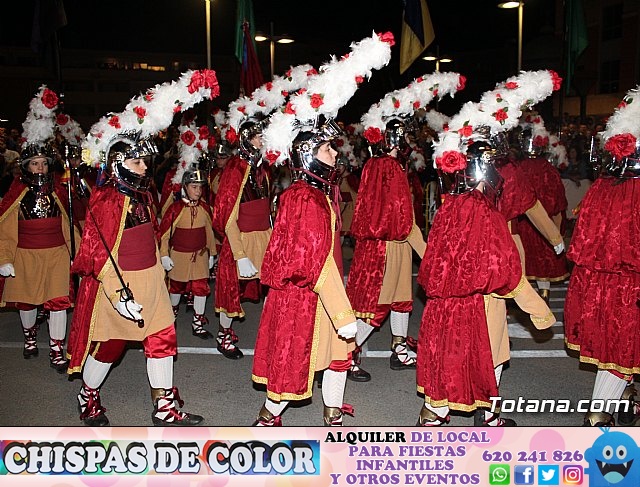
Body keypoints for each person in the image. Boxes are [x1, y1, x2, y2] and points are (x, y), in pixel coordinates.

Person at [252, 30, 394, 426]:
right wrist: (342, 307)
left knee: (337, 349)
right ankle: (269, 416)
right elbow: (312, 264)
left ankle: (332, 409)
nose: (336, 154)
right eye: (328, 148)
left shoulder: (318, 192)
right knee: (294, 359)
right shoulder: (304, 197)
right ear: (306, 154)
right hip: (304, 293)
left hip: (324, 290)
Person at [66, 69, 218, 426]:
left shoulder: (143, 195)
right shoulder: (106, 199)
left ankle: (164, 407)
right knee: (111, 348)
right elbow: (98, 256)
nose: (144, 167)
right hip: (118, 284)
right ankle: (87, 393)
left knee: (162, 338)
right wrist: (120, 295)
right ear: (117, 163)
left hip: (149, 278)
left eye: (145, 161)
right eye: (136, 161)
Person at [416, 70, 560, 426]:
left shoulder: (450, 204)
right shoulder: (484, 210)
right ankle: (489, 416)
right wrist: (537, 308)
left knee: (449, 356)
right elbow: (505, 272)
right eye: (495, 167)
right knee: (493, 351)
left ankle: (434, 414)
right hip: (480, 302)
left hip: (446, 304)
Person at [346, 72, 465, 382]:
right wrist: (428, 253)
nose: (409, 142)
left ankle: (399, 348)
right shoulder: (389, 168)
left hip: (392, 245)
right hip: (387, 246)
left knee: (401, 299)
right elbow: (403, 220)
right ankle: (346, 355)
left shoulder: (379, 165)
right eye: (404, 137)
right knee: (378, 306)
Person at [564, 85, 640, 426]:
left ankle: (622, 398)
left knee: (619, 351)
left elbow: (581, 243)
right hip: (628, 289)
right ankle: (599, 416)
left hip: (601, 287)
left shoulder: (601, 188)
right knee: (622, 351)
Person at [0, 86, 76, 373]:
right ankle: (30, 337)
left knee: (58, 301)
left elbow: (69, 224)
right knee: (28, 300)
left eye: (45, 163)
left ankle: (57, 348)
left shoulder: (59, 188)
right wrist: (5, 258)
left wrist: (76, 252)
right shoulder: (16, 192)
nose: (41, 167)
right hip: (26, 254)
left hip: (56, 253)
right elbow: (6, 228)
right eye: (35, 163)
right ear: (26, 166)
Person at [513, 117, 569, 303]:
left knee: (523, 257)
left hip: (521, 221)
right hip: (544, 220)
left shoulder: (518, 168)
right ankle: (544, 293)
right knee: (544, 257)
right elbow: (557, 198)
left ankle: (524, 297)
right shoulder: (548, 169)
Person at [159, 166, 216, 338]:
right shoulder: (175, 209)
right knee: (176, 288)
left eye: (200, 187)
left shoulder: (205, 209)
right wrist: (164, 255)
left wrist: (212, 253)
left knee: (201, 288)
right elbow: (164, 235)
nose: (198, 191)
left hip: (199, 256)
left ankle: (198, 323)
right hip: (179, 257)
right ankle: (170, 320)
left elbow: (209, 232)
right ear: (185, 187)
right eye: (194, 187)